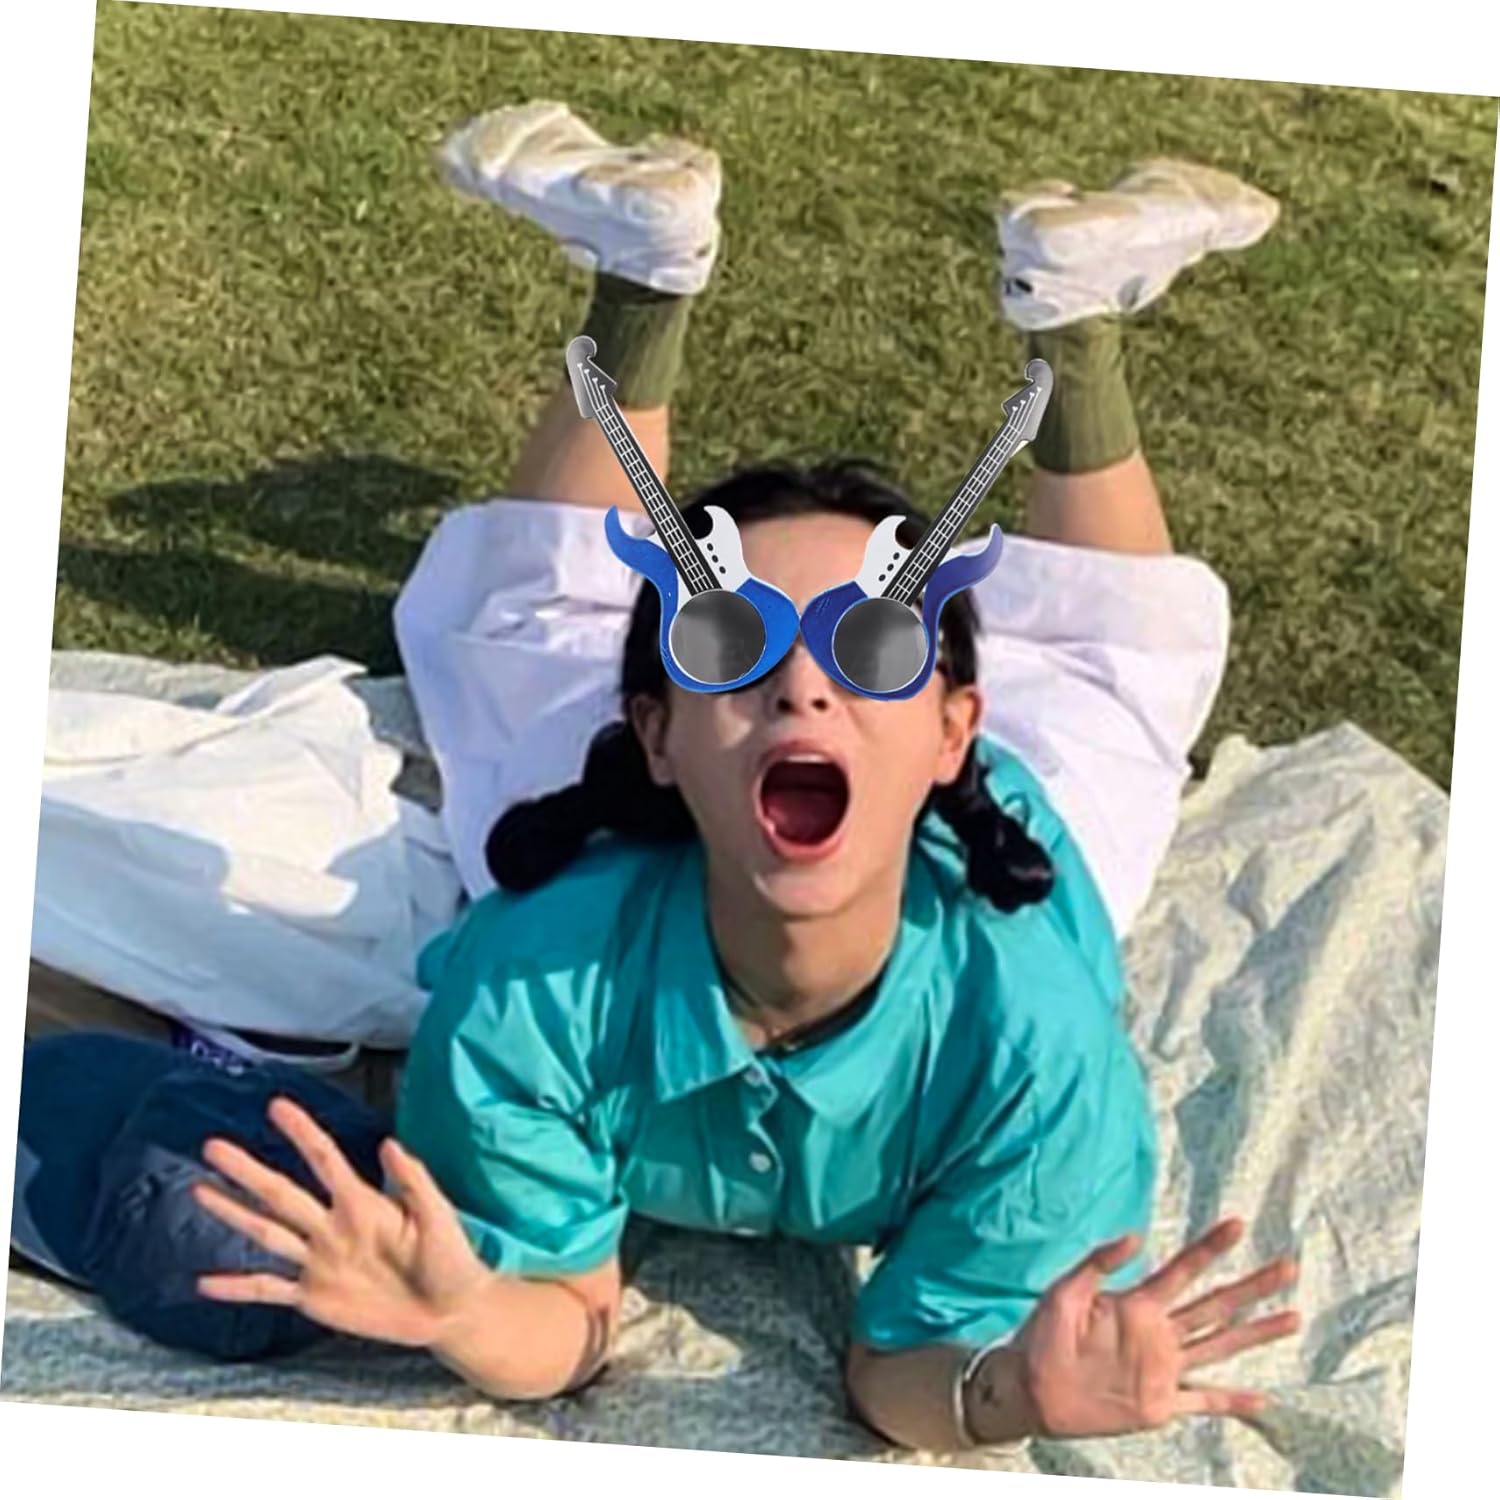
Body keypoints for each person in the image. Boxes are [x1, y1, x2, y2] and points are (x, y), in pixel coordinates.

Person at [33, 101, 1300, 1452]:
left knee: (1091, 667)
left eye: (875, 649)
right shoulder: (534, 979)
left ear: (955, 734)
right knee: (1090, 654)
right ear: (649, 731)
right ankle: (1027, 308)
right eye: (734, 642)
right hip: (646, 844)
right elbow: (566, 1322)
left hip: (984, 862)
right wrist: (464, 1312)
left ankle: (1021, 324)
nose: (805, 685)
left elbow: (900, 1377)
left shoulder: (1037, 1044)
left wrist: (1010, 1396)